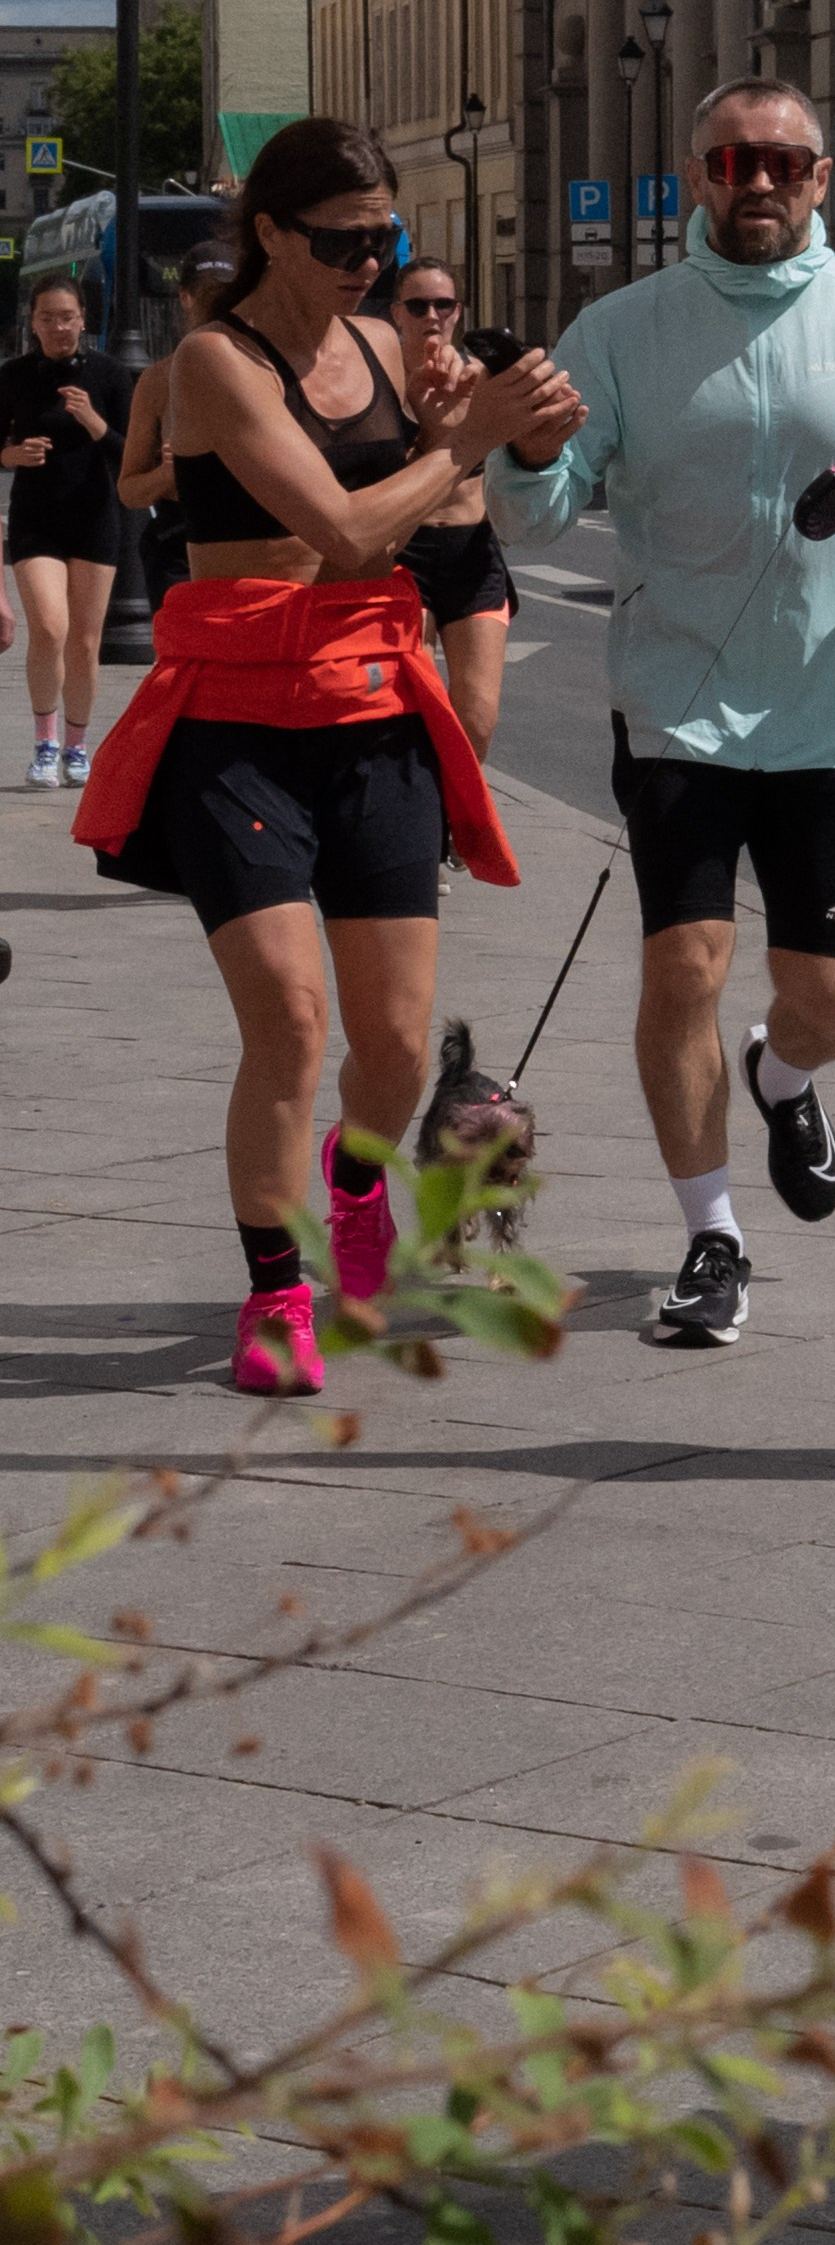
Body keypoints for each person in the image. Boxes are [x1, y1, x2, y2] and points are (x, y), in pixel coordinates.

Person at [487, 76, 835, 1348]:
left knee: (829, 1003)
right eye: (733, 160)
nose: (760, 180)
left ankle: (782, 1079)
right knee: (685, 963)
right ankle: (712, 1235)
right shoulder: (622, 328)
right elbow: (541, 514)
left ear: (822, 179)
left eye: (785, 161)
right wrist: (518, 451)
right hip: (675, 705)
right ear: (699, 174)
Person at [74, 120, 581, 1395]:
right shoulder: (214, 361)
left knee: (397, 1049)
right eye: (343, 240)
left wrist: (517, 433)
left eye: (385, 240)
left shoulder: (386, 348)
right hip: (237, 725)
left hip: (371, 718)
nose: (368, 263)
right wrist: (457, 446)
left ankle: (356, 1179)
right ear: (270, 236)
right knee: (293, 1020)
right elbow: (352, 529)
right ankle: (276, 1292)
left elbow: (456, 515)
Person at [0, 275, 131, 786]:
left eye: (67, 317)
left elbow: (131, 453)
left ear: (84, 319)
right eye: (47, 318)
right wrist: (10, 455)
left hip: (95, 516)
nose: (58, 327)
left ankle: (77, 749)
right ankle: (44, 743)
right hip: (35, 519)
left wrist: (94, 421)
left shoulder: (111, 375)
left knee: (84, 641)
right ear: (32, 322)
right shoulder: (12, 376)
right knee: (50, 629)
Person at [391, 256, 519, 758]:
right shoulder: (383, 384)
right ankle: (424, 821)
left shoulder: (482, 380)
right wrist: (431, 433)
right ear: (396, 311)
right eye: (418, 305)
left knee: (477, 719)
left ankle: (453, 820)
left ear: (459, 311)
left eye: (443, 304)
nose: (432, 315)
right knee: (417, 704)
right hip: (406, 551)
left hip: (472, 549)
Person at [118, 246, 239, 615]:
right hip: (180, 541)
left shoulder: (267, 369)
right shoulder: (158, 381)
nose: (218, 305)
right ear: (185, 298)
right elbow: (130, 490)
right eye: (207, 295)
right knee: (188, 665)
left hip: (250, 541)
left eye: (228, 295)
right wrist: (167, 474)